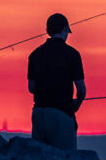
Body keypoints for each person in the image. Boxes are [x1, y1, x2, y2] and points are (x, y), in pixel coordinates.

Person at [27, 12, 86, 150]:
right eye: (67, 31)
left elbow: (31, 88)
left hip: (39, 114)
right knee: (65, 159)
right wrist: (77, 103)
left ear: (48, 31)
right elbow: (81, 89)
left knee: (40, 159)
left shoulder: (35, 54)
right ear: (65, 29)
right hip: (61, 115)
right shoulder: (72, 54)